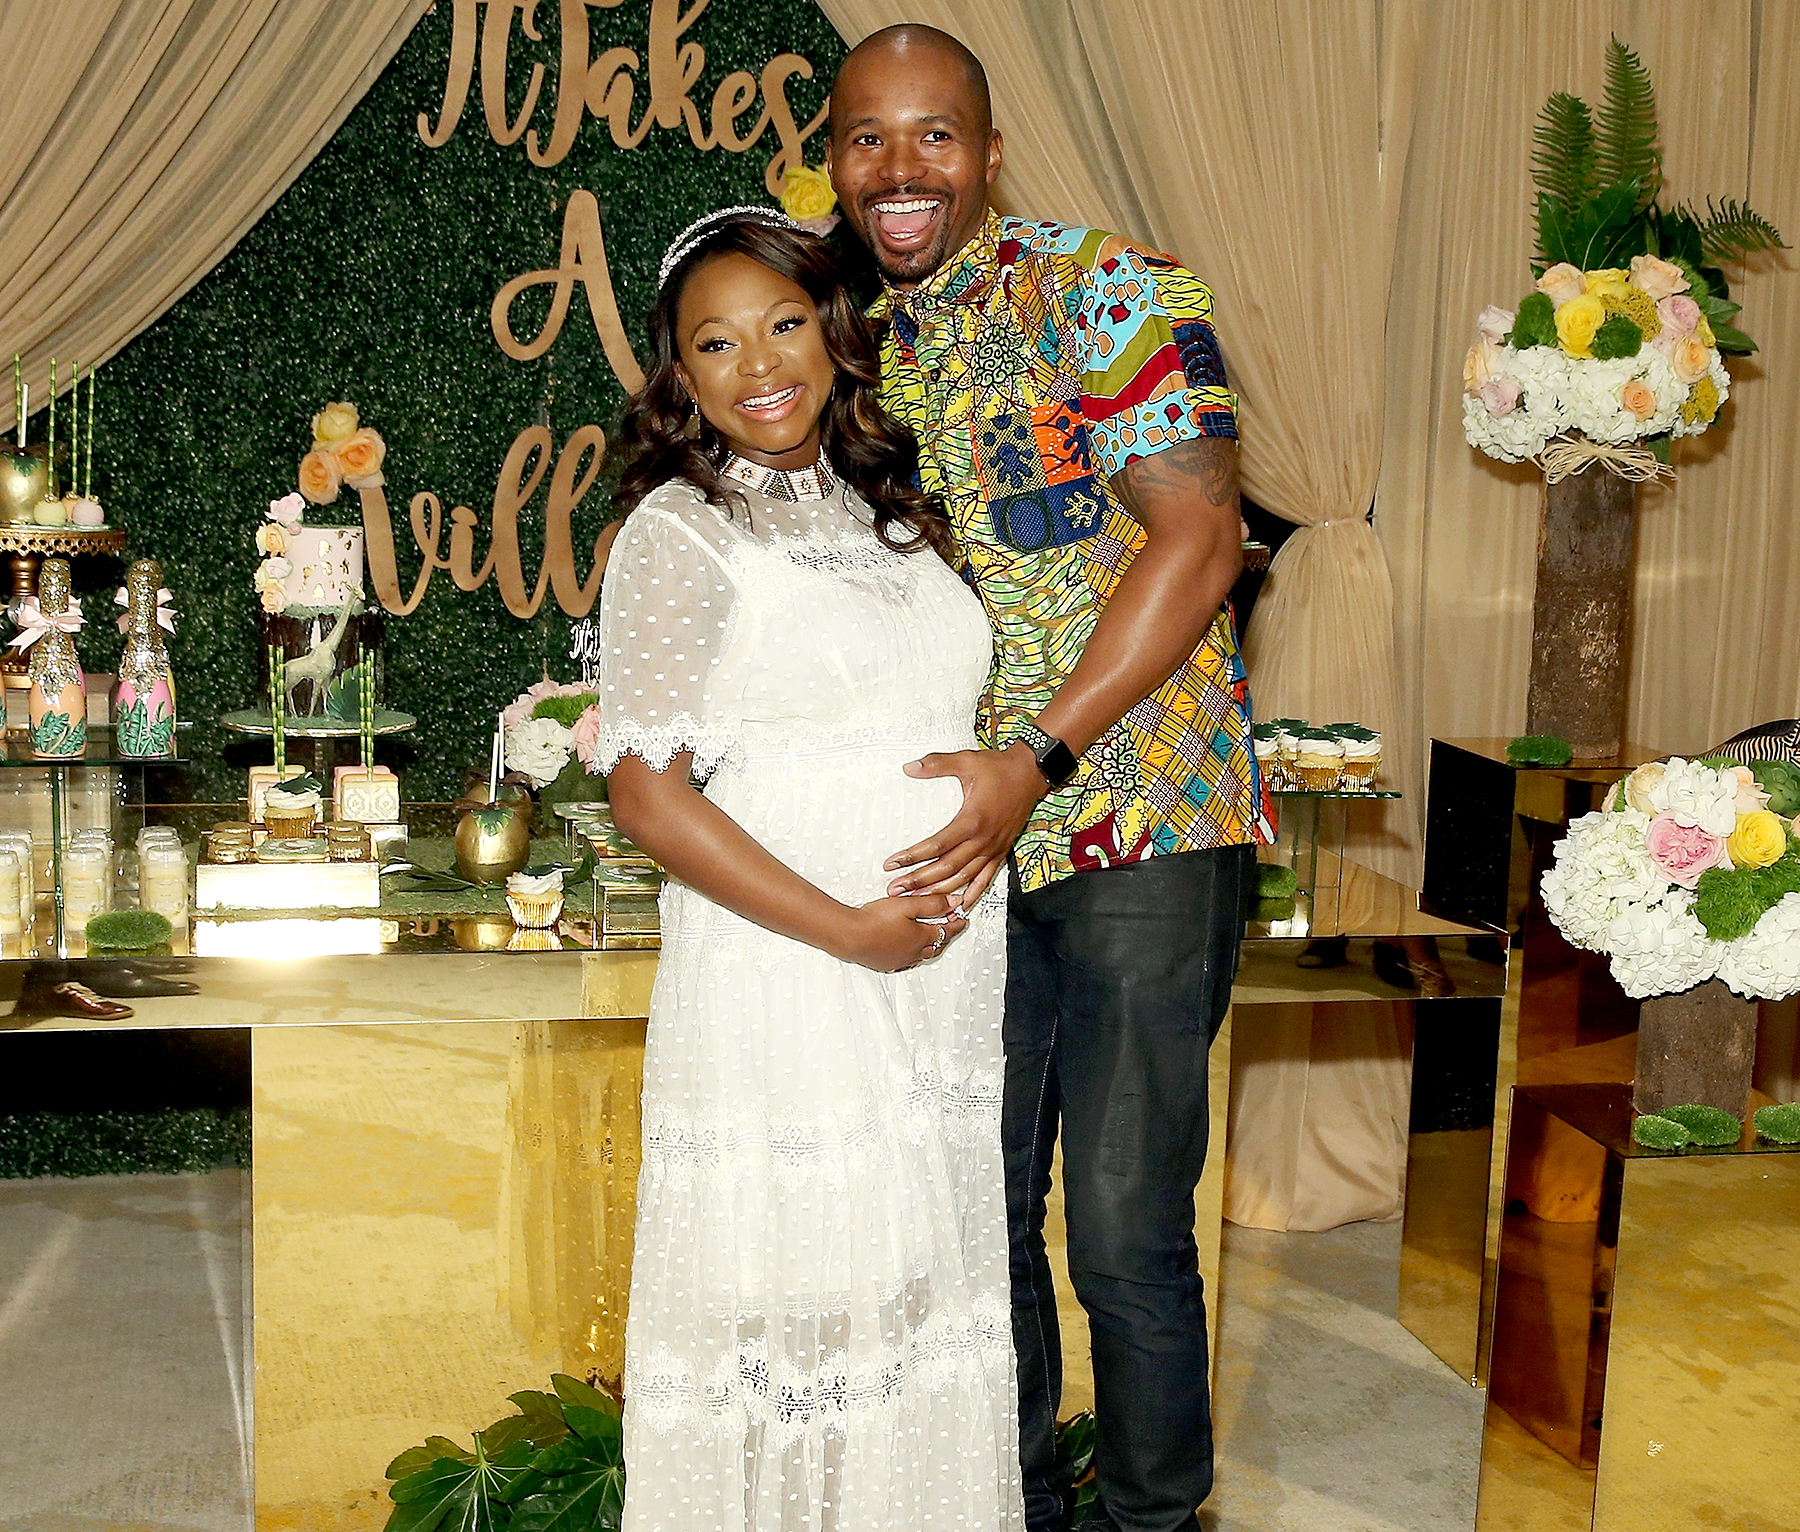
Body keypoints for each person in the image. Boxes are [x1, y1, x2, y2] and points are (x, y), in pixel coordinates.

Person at [827, 26, 1272, 1532]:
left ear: (992, 151)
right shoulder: (851, 343)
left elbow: (1199, 542)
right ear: (833, 160)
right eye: (868, 140)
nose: (901, 172)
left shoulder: (1112, 292)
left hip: (1141, 811)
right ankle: (1006, 1495)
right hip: (966, 834)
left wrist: (1035, 758)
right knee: (976, 1209)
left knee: (1127, 1226)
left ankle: (1157, 1516)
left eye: (934, 137)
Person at [595, 207, 1023, 1532]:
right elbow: (645, 793)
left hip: (934, 977)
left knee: (907, 1303)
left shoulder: (886, 514)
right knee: (810, 1311)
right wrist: (845, 929)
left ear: (833, 337)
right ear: (681, 377)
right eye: (716, 344)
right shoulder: (681, 530)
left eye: (784, 325)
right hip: (796, 968)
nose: (759, 364)